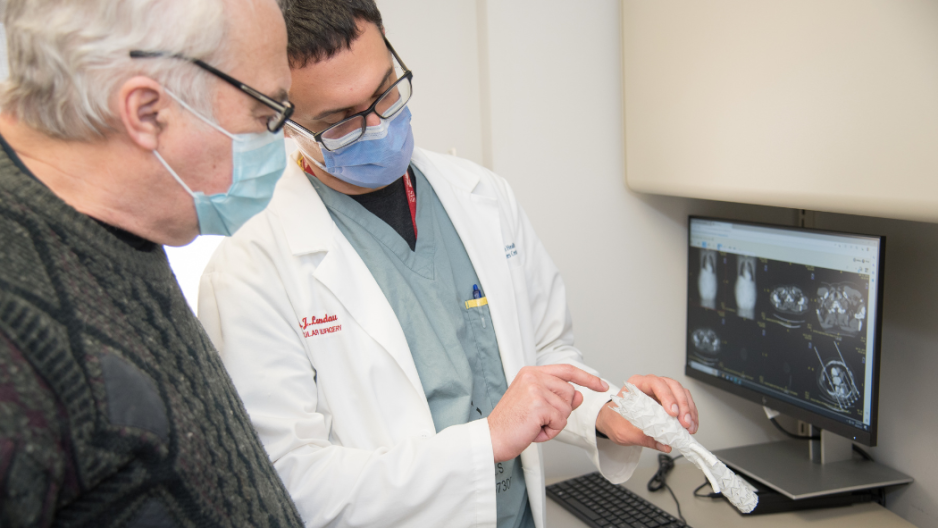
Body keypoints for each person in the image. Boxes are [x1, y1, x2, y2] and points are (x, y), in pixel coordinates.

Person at [198, 1, 699, 526]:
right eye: (340, 123)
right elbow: (289, 486)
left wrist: (607, 413)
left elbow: (547, 352)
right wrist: (485, 442)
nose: (377, 127)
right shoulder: (248, 272)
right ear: (284, 122)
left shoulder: (482, 195)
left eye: (385, 92)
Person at [0, 0, 304, 525]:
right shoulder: (15, 330)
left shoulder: (120, 217)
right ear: (147, 112)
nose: (281, 138)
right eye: (266, 114)